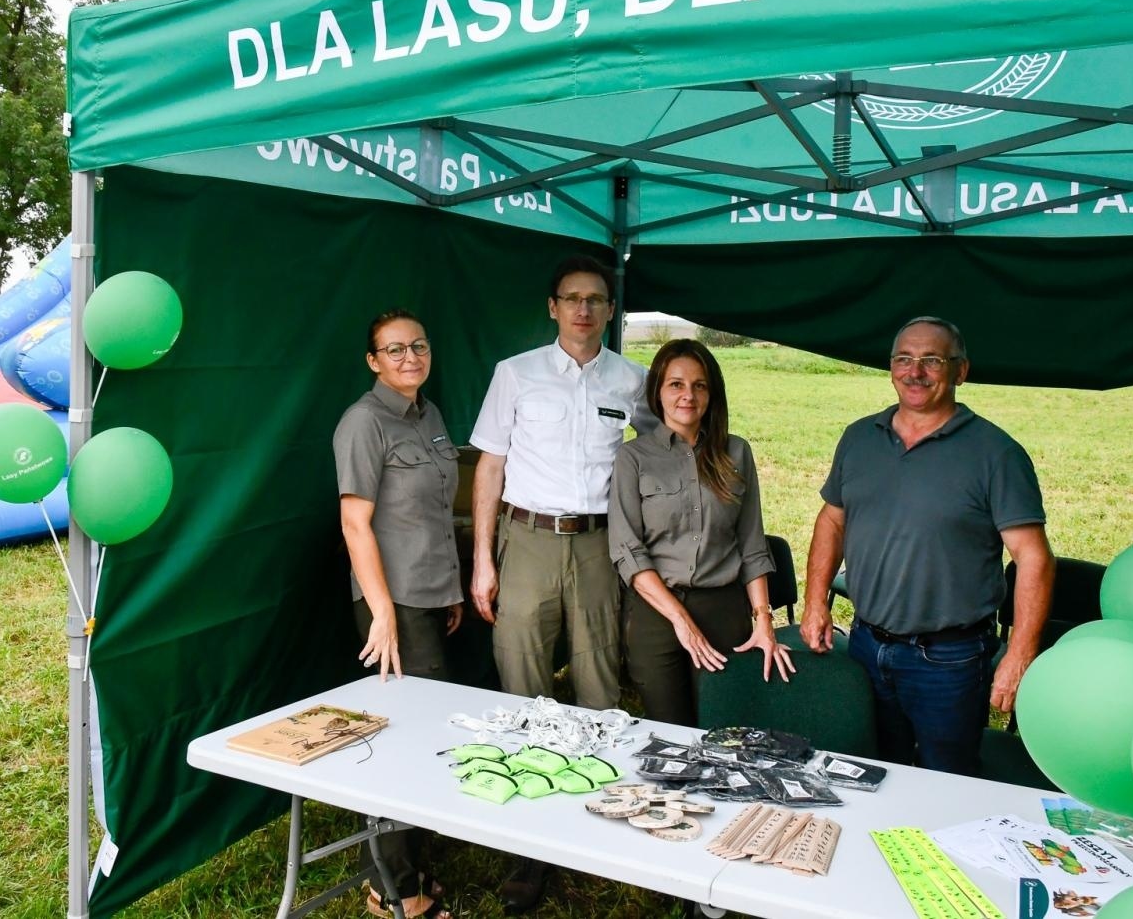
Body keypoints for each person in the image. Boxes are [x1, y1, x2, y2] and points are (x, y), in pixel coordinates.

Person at [468, 254, 653, 913]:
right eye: (572, 298)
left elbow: (656, 456)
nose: (583, 309)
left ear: (610, 310)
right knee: (522, 675)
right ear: (552, 307)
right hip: (527, 540)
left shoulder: (633, 380)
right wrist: (483, 559)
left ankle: (596, 814)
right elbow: (490, 466)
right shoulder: (515, 373)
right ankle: (530, 839)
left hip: (600, 543)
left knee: (600, 676)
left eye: (595, 299)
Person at [798, 316, 1057, 777]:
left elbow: (1033, 557)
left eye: (932, 360)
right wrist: (815, 601)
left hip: (950, 659)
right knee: (870, 772)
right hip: (866, 644)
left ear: (961, 371)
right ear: (891, 367)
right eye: (904, 359)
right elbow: (832, 520)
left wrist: (1019, 654)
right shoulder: (860, 438)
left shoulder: (996, 454)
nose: (915, 372)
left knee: (946, 780)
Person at [333, 308, 461, 919]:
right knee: (400, 741)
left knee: (425, 733)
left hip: (431, 595)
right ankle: (394, 889)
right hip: (395, 604)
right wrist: (382, 613)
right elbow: (354, 524)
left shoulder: (428, 414)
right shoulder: (363, 422)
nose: (410, 357)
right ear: (373, 360)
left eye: (419, 346)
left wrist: (451, 589)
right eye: (395, 349)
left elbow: (432, 513)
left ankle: (409, 868)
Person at [609, 339, 794, 727]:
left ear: (712, 393)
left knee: (722, 727)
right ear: (658, 391)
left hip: (723, 609)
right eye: (676, 384)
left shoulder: (737, 452)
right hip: (656, 612)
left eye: (699, 385)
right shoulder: (633, 457)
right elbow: (628, 551)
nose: (688, 396)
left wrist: (764, 620)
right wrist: (680, 619)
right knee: (669, 728)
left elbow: (752, 545)